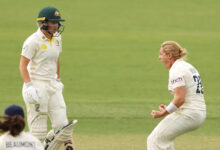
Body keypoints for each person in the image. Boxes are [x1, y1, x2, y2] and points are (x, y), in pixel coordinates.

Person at [19, 6, 76, 150]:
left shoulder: (57, 38)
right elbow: (23, 65)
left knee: (62, 126)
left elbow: (55, 59)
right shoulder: (33, 41)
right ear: (43, 23)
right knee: (38, 131)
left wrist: (58, 79)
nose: (56, 25)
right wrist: (29, 85)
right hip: (37, 85)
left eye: (57, 23)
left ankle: (48, 144)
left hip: (52, 84)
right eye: (53, 22)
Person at [147, 41, 206, 150]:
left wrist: (163, 113)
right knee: (164, 141)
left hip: (189, 113)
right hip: (196, 112)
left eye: (161, 54)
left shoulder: (177, 69)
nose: (159, 57)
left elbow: (180, 99)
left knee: (155, 140)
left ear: (169, 55)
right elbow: (185, 97)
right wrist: (170, 109)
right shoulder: (186, 66)